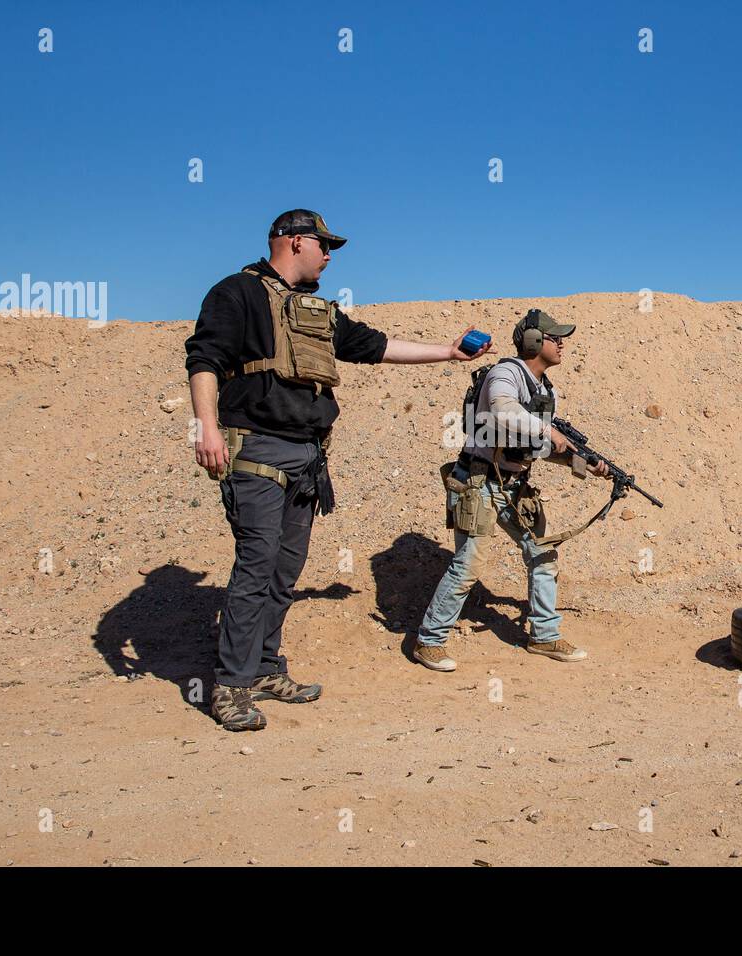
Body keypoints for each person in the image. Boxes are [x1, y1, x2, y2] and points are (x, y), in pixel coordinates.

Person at [185, 209, 491, 730]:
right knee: (256, 569)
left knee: (283, 573)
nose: (329, 255)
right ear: (294, 242)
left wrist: (447, 352)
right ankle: (231, 686)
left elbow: (376, 347)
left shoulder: (318, 312)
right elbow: (204, 359)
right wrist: (206, 428)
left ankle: (264, 668)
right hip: (257, 450)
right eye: (324, 245)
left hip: (307, 458)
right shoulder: (235, 293)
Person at [413, 309, 609, 672]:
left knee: (542, 555)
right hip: (479, 480)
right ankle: (429, 640)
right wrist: (550, 432)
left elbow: (537, 447)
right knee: (468, 564)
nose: (562, 343)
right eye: (555, 337)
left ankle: (544, 635)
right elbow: (503, 413)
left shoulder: (545, 390)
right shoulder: (505, 374)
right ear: (534, 342)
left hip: (514, 485)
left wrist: (586, 464)